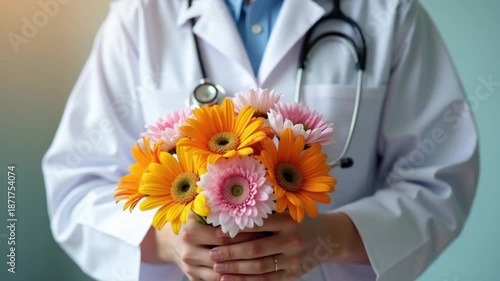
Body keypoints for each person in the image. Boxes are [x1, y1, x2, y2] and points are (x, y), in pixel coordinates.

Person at [42, 0, 479, 280]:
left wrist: (331, 237)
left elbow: (439, 181)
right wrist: (163, 240)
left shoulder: (390, 14)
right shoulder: (139, 18)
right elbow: (75, 185)